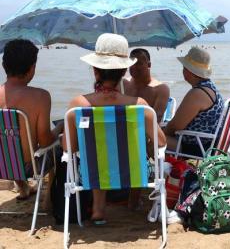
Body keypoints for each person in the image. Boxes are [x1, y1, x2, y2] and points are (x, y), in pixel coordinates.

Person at [62, 33, 166, 223]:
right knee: (110, 149)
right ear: (124, 71)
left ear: (95, 71)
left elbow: (69, 147)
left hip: (92, 173)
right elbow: (161, 142)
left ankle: (98, 209)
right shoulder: (140, 106)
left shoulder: (78, 105)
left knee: (98, 151)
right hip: (132, 172)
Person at [0, 39, 63, 199]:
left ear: (4, 65)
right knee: (58, 148)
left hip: (1, 166)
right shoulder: (40, 97)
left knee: (9, 143)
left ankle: (23, 188)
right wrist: (59, 129)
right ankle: (49, 200)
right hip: (28, 168)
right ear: (32, 68)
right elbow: (45, 141)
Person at [163, 46, 224, 156]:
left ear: (188, 71)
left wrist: (158, 134)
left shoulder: (197, 93)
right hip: (208, 143)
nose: (183, 70)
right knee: (157, 134)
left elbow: (175, 126)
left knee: (151, 140)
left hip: (196, 146)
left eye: (184, 67)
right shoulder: (211, 88)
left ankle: (162, 171)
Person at [123, 48, 170, 123]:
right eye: (132, 63)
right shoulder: (123, 84)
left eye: (139, 63)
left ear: (149, 65)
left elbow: (156, 119)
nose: (134, 67)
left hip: (147, 131)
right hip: (123, 128)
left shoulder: (160, 89)